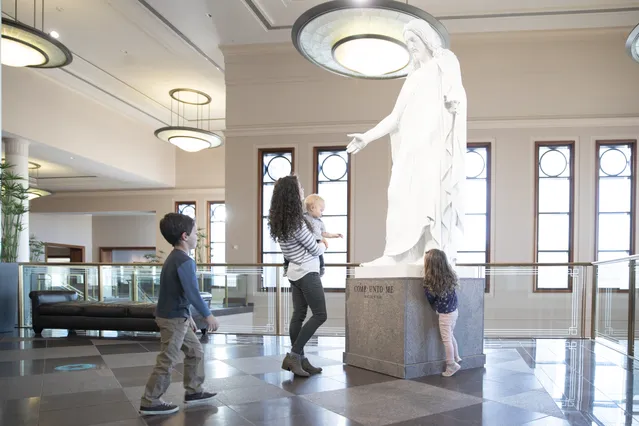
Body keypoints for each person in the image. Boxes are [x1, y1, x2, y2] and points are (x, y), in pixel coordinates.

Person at [347, 19, 467, 266]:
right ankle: (396, 254)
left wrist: (453, 102)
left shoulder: (443, 61)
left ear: (425, 39)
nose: (411, 45)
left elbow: (456, 93)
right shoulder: (412, 77)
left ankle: (430, 255)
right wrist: (367, 137)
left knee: (429, 199)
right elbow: (395, 117)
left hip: (433, 147)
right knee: (398, 195)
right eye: (407, 41)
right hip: (410, 149)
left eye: (414, 39)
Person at [140, 213, 220, 416]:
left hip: (179, 316)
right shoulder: (184, 261)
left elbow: (177, 292)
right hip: (173, 320)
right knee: (167, 359)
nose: (197, 236)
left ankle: (193, 390)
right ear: (185, 236)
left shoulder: (175, 258)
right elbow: (193, 293)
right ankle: (150, 401)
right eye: (194, 232)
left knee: (195, 351)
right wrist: (207, 315)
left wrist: (189, 316)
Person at [269, 175, 327, 377]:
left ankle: (301, 359)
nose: (303, 190)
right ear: (293, 194)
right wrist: (323, 245)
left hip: (294, 271)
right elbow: (314, 248)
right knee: (320, 314)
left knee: (299, 314)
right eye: (300, 187)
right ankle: (294, 355)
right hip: (307, 272)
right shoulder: (297, 223)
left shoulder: (281, 221)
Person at [283, 194, 343, 277]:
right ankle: (286, 267)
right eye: (321, 210)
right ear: (312, 208)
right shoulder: (302, 218)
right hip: (304, 241)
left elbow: (324, 233)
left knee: (320, 256)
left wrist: (334, 235)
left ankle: (321, 269)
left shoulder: (320, 222)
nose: (322, 213)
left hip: (316, 242)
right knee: (290, 251)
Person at [423, 248, 462, 377]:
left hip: (445, 314)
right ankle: (456, 357)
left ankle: (451, 365)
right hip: (454, 311)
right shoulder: (449, 276)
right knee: (450, 336)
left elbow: (430, 299)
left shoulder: (430, 281)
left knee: (446, 340)